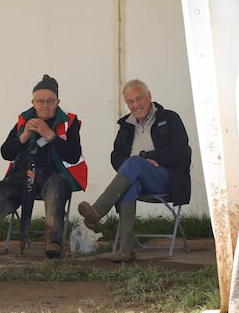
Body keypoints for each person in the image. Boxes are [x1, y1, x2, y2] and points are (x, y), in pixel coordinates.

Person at [0, 74, 87, 259]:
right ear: (33, 102)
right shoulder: (24, 120)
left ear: (58, 101)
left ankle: (53, 242)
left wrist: (50, 135)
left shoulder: (69, 122)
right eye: (40, 101)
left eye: (50, 101)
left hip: (54, 175)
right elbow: (5, 152)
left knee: (56, 185)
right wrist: (23, 137)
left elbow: (73, 155)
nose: (45, 105)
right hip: (23, 175)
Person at [77, 79, 192, 262]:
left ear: (149, 97)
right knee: (130, 182)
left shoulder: (169, 118)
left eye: (139, 99)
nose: (135, 105)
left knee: (136, 162)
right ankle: (126, 250)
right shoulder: (126, 126)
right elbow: (116, 157)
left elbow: (182, 152)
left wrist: (148, 158)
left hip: (167, 178)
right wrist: (139, 163)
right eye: (130, 101)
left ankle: (97, 212)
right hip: (138, 180)